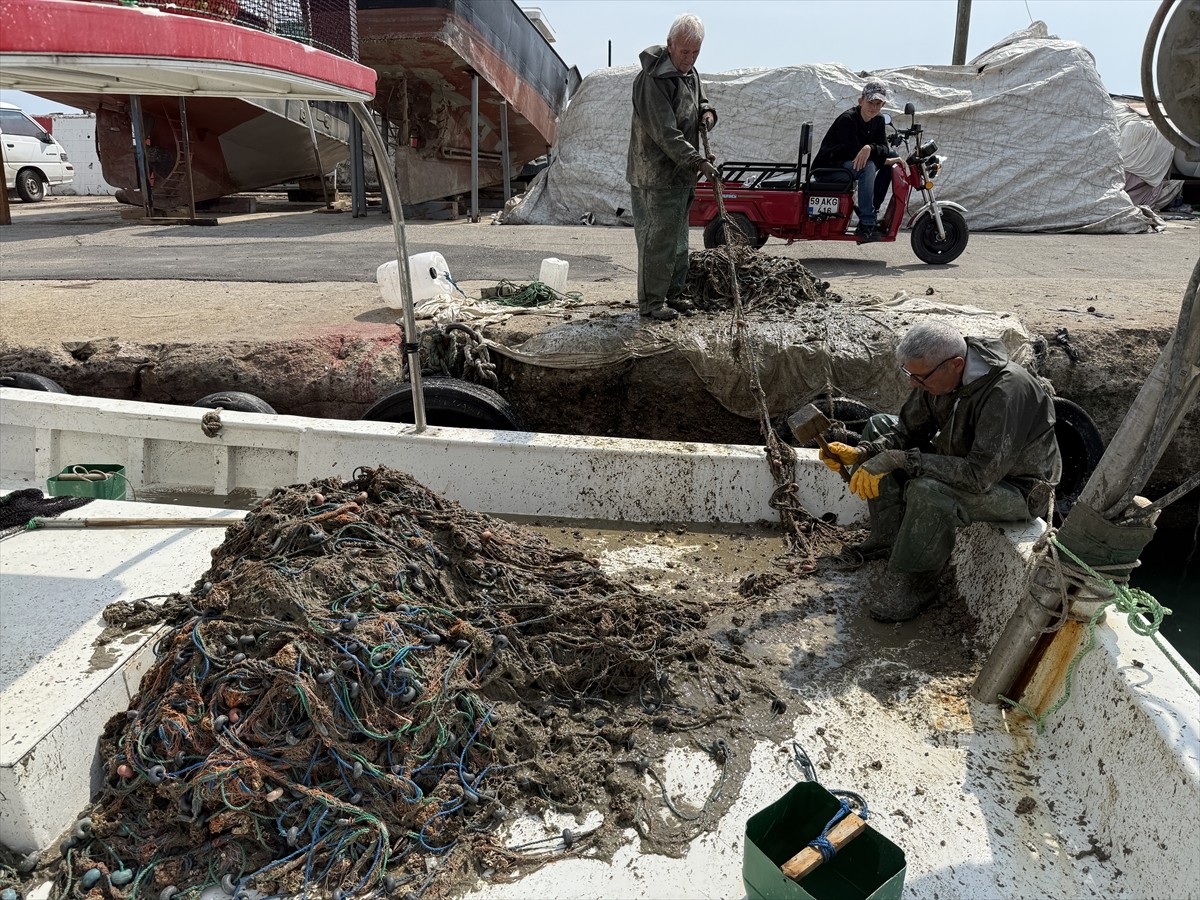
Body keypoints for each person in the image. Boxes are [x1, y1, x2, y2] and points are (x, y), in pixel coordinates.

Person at [818, 320, 1062, 622]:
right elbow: (906, 432)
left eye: (920, 377)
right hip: (968, 461)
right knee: (877, 425)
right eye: (909, 374)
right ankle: (887, 539)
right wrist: (864, 452)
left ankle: (918, 586)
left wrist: (900, 459)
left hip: (1017, 489)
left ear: (955, 365)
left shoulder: (1007, 391)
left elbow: (978, 476)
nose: (913, 384)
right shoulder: (939, 375)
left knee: (929, 492)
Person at [626, 13, 720, 322]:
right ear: (669, 45)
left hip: (682, 175)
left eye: (696, 52)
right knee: (657, 242)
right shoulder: (651, 81)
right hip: (655, 177)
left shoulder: (690, 73)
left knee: (678, 241)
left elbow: (700, 100)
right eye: (684, 52)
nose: (690, 58)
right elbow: (666, 133)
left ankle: (674, 294)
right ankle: (652, 303)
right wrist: (698, 161)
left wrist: (707, 113)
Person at [812, 79, 906, 243]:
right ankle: (866, 222)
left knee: (890, 154)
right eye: (870, 102)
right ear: (861, 100)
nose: (874, 108)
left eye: (878, 104)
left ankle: (873, 208)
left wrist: (870, 147)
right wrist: (883, 158)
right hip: (829, 169)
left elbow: (883, 148)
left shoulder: (878, 120)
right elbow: (855, 154)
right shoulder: (847, 120)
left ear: (883, 105)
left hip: (849, 166)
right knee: (867, 166)